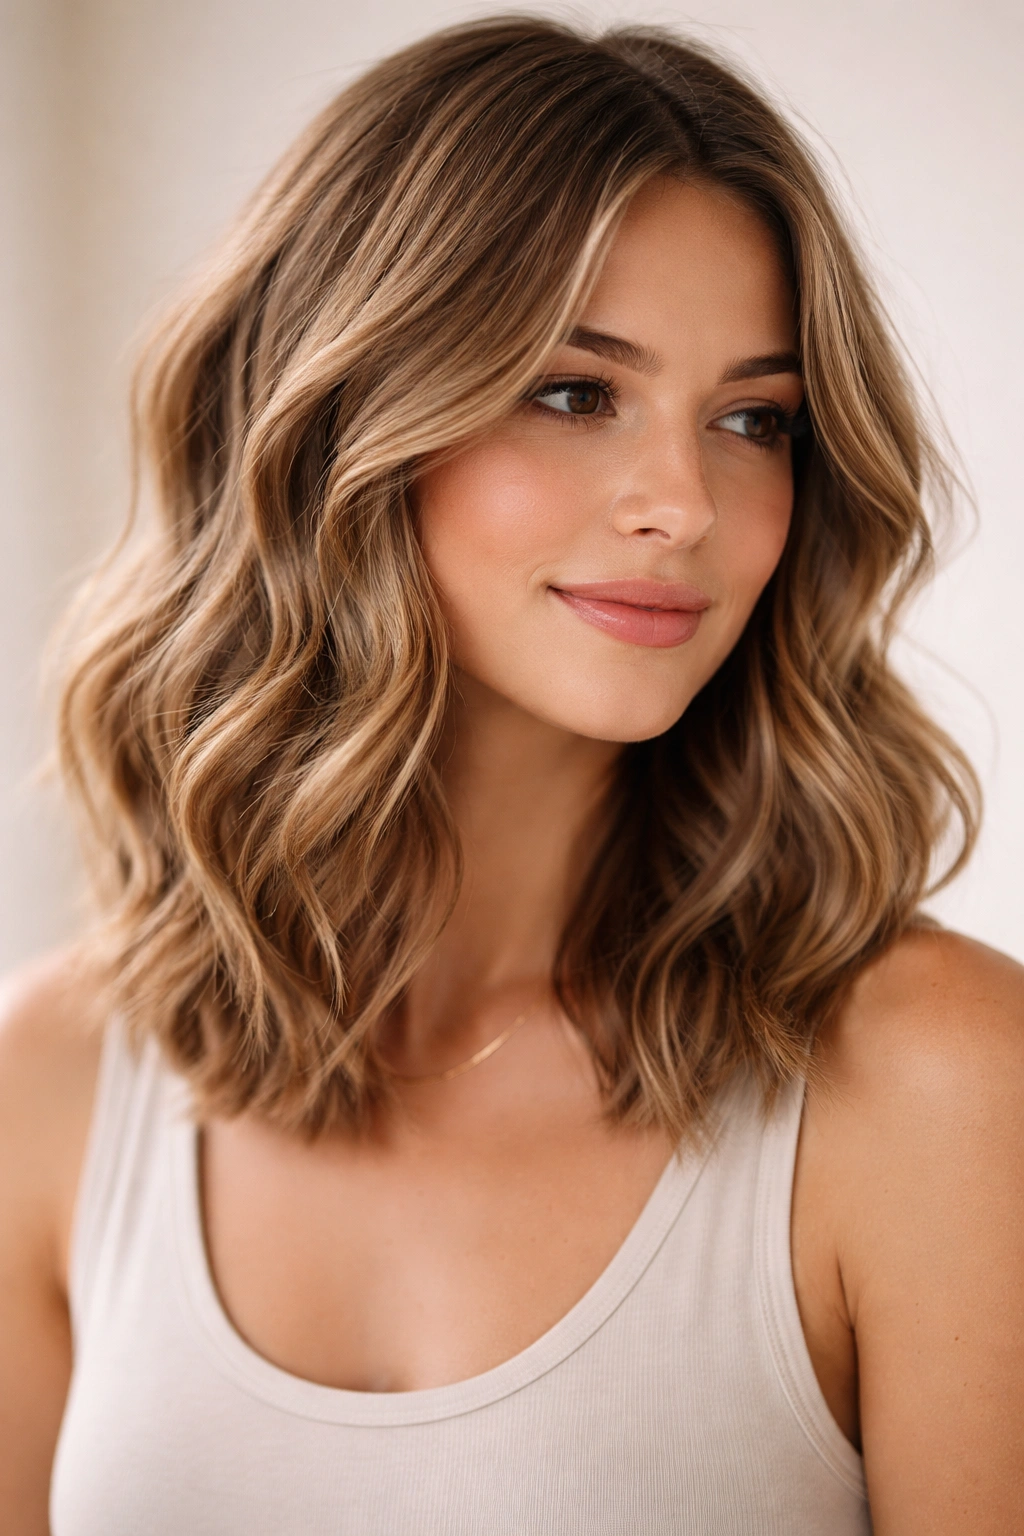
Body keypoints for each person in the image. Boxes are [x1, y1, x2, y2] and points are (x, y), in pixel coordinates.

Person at [1, 15, 1021, 1534]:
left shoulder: (938, 1083)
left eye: (755, 421)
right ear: (339, 413)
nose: (684, 502)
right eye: (573, 390)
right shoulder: (57, 1082)